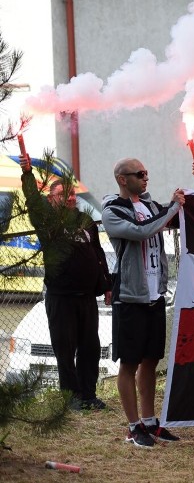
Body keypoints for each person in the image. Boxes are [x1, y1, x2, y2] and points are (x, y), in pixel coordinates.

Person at [101, 159, 185, 447]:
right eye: (140, 174)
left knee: (151, 359)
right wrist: (171, 207)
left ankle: (150, 422)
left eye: (147, 172)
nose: (145, 177)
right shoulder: (112, 211)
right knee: (129, 362)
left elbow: (169, 218)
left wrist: (191, 198)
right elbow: (142, 231)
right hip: (130, 297)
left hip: (154, 296)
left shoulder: (150, 207)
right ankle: (133, 426)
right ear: (123, 180)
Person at [18, 155, 111, 410]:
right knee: (65, 349)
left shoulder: (85, 221)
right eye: (64, 194)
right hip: (61, 297)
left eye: (72, 195)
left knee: (90, 348)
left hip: (87, 298)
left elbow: (98, 254)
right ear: (52, 199)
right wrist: (27, 173)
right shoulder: (48, 221)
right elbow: (33, 201)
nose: (70, 198)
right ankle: (70, 398)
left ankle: (88, 395)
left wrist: (106, 286)